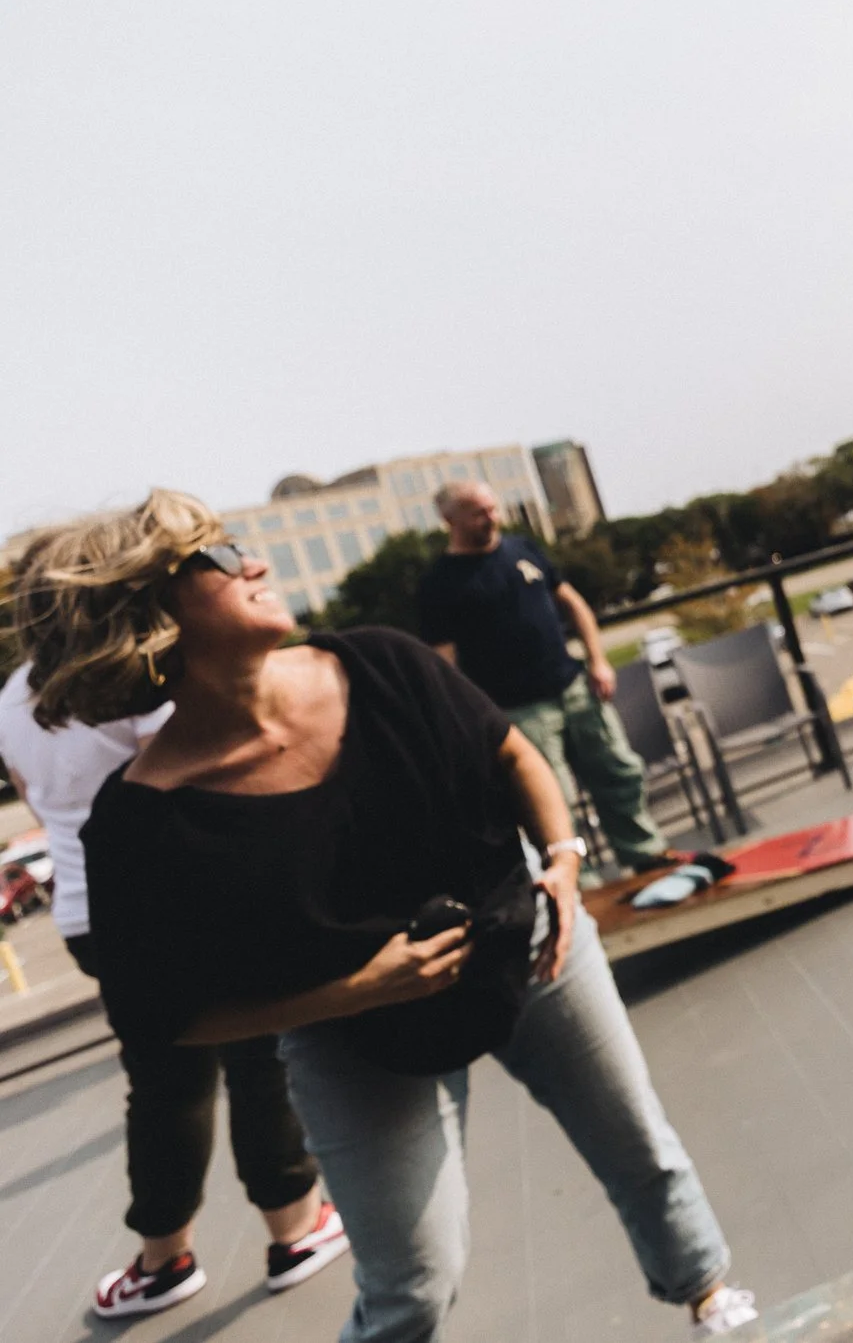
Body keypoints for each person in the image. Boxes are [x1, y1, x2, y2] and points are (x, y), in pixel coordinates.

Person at [16, 492, 757, 1343]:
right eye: (217, 559)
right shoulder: (144, 819)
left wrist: (561, 861)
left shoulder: (381, 664)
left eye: (240, 545)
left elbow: (512, 753)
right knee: (415, 1279)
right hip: (356, 1035)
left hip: (533, 947)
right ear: (150, 614)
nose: (254, 563)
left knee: (645, 1154)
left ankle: (712, 1301)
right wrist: (355, 991)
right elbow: (160, 1017)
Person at [0, 643, 349, 1321]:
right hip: (187, 898)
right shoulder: (129, 675)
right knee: (256, 1060)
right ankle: (295, 1230)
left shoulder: (11, 698)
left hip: (89, 913)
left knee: (163, 1082)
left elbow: (32, 794)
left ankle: (163, 1262)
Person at [416, 481, 680, 874]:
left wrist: (598, 660)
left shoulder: (523, 550)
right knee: (554, 799)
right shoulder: (441, 583)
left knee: (618, 771)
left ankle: (644, 853)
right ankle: (576, 881)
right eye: (478, 512)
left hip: (573, 687)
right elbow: (444, 662)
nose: (491, 518)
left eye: (493, 508)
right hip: (519, 711)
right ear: (448, 519)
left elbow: (573, 604)